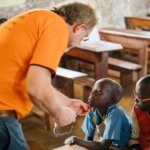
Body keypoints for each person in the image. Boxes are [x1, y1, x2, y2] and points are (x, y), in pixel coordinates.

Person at [0, 2, 97, 150]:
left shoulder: (38, 17)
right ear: (79, 28)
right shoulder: (57, 26)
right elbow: (36, 87)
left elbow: (35, 81)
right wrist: (58, 112)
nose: (78, 44)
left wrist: (66, 102)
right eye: (84, 37)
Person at [65, 78, 131, 150]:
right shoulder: (91, 110)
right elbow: (88, 140)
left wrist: (76, 140)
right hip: (107, 145)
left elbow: (103, 146)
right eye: (93, 89)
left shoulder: (116, 113)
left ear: (111, 101)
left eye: (99, 92)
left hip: (124, 146)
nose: (92, 93)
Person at [129, 75, 150, 150]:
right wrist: (134, 147)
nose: (135, 99)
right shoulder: (137, 109)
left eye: (139, 97)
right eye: (135, 94)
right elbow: (134, 137)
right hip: (141, 145)